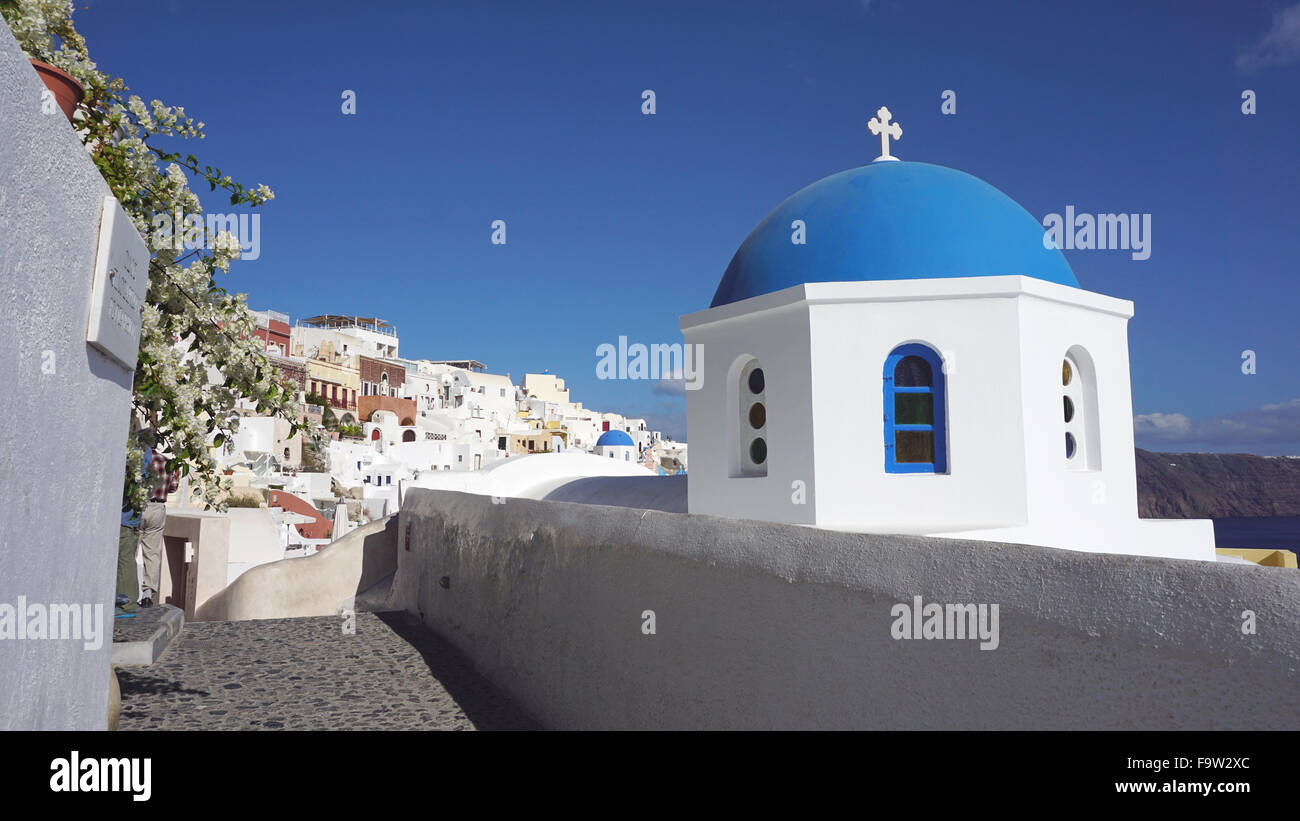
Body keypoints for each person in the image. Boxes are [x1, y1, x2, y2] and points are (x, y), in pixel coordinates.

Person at [136, 443, 179, 609]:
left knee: (130, 551)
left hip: (138, 506)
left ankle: (126, 593)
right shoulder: (167, 462)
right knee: (152, 553)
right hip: (158, 508)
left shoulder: (137, 460)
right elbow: (173, 488)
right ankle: (147, 594)